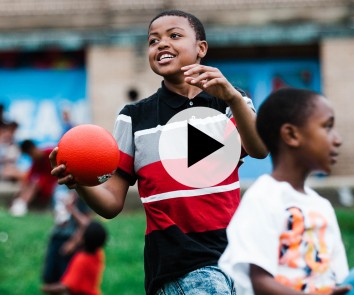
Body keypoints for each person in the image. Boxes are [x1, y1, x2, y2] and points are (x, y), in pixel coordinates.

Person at [50, 9, 267, 295]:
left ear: (201, 48)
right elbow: (112, 203)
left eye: (174, 36)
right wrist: (80, 183)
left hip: (232, 257)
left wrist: (233, 97)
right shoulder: (134, 118)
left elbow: (260, 149)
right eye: (153, 41)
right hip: (177, 263)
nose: (161, 44)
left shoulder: (228, 104)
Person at [219, 88, 352, 295]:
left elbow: (339, 278)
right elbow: (260, 282)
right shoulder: (263, 198)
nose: (337, 139)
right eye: (327, 127)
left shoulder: (322, 207)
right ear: (291, 135)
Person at [41, 220, 107, 295]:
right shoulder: (98, 254)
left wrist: (46, 288)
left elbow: (66, 286)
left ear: (83, 239)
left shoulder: (81, 260)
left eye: (81, 233)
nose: (77, 233)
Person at [42, 186, 92, 285]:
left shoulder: (81, 189)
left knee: (67, 281)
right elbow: (57, 213)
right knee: (49, 278)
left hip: (71, 240)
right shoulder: (57, 188)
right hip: (56, 238)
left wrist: (73, 243)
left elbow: (86, 223)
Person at [9, 139, 58, 216]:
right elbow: (28, 178)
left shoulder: (51, 152)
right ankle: (20, 203)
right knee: (30, 182)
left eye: (31, 154)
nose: (31, 156)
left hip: (55, 185)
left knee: (36, 183)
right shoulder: (36, 162)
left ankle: (22, 204)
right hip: (42, 188)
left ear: (34, 148)